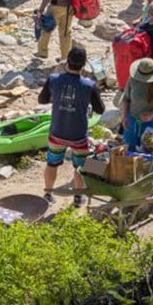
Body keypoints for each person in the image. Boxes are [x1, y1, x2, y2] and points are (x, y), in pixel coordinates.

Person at [38, 46, 106, 207]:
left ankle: (48, 193)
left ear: (67, 62)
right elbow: (100, 109)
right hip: (79, 135)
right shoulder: (89, 85)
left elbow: (42, 99)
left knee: (52, 163)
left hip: (57, 132)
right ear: (84, 65)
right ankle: (78, 197)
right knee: (80, 166)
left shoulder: (54, 79)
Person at [115, 57, 153, 151]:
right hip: (132, 121)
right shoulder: (133, 79)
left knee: (149, 152)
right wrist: (124, 116)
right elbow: (126, 99)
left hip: (152, 123)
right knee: (129, 151)